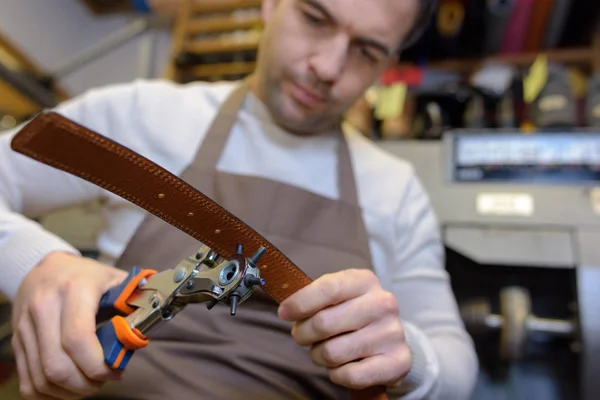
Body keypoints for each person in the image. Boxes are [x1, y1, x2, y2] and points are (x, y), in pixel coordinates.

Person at [0, 0, 479, 399]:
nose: (327, 68)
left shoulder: (395, 190)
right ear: (271, 4)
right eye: (315, 18)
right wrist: (37, 265)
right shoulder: (144, 116)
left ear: (390, 61)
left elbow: (457, 366)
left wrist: (407, 359)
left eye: (368, 51)